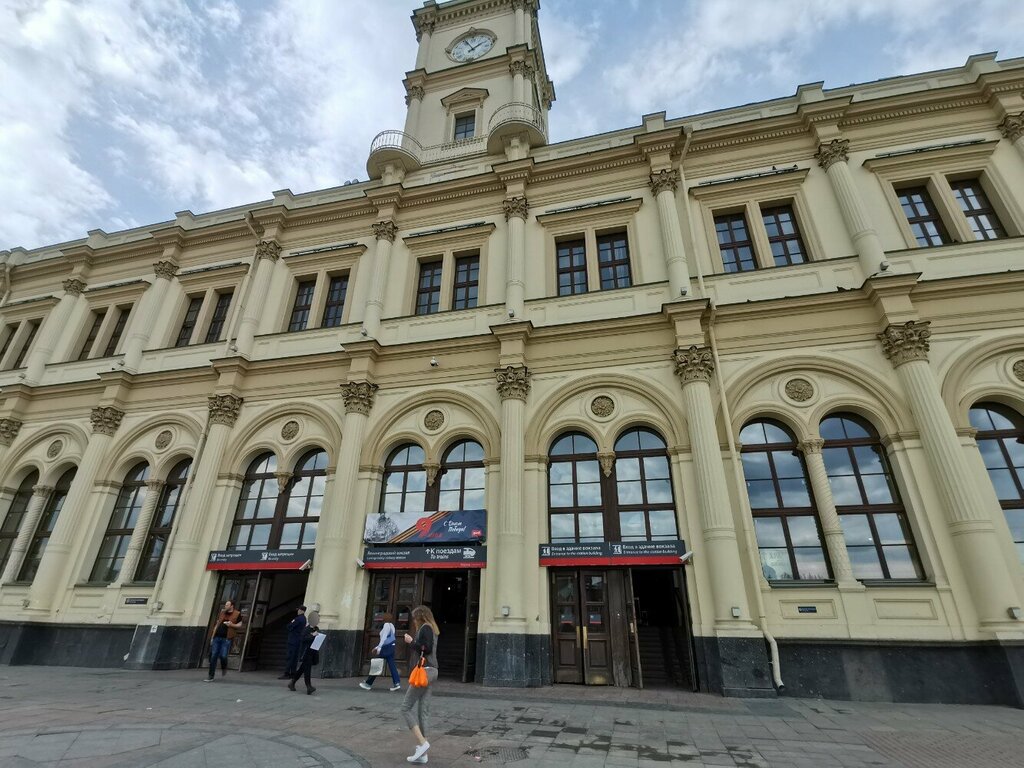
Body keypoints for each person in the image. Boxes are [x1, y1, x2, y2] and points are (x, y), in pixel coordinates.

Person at [400, 605, 440, 764]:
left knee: (405, 708)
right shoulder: (432, 628)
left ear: (420, 617)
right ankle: (423, 754)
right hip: (431, 671)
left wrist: (411, 641)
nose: (414, 621)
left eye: (415, 618)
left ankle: (423, 743)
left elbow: (426, 648)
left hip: (424, 672)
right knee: (423, 711)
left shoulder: (425, 628)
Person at [359, 611, 401, 692]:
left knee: (376, 665)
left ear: (384, 618)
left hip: (385, 648)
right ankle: (397, 683)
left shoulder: (386, 625)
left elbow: (384, 638)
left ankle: (368, 683)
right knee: (392, 666)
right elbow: (389, 639)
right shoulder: (392, 626)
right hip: (391, 647)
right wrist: (377, 647)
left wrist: (379, 648)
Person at [204, 599, 243, 682]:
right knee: (214, 656)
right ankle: (211, 676)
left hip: (226, 638)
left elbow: (240, 625)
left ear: (232, 606)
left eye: (227, 605)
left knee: (223, 656)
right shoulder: (222, 613)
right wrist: (212, 636)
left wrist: (232, 624)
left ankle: (224, 666)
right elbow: (217, 623)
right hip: (217, 637)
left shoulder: (237, 614)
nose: (225, 606)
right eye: (225, 605)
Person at [286, 624, 319, 695]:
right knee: (307, 670)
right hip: (306, 652)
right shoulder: (306, 629)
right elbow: (303, 639)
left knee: (302, 669)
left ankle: (292, 682)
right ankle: (308, 686)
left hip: (312, 651)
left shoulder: (316, 629)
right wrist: (312, 635)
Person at [279, 605, 307, 679]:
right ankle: (293, 673)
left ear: (301, 611)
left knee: (290, 657)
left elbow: (289, 626)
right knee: (294, 658)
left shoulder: (298, 619)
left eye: (299, 610)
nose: (297, 611)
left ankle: (287, 673)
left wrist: (290, 625)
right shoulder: (304, 619)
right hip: (298, 640)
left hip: (293, 640)